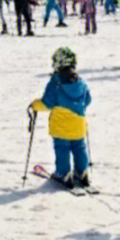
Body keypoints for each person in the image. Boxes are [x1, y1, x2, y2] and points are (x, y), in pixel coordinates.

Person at [28, 46, 91, 188]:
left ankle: (63, 173)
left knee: (62, 148)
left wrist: (34, 105)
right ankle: (82, 172)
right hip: (79, 125)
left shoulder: (56, 83)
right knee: (79, 147)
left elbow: (47, 103)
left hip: (61, 127)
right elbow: (88, 100)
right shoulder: (80, 82)